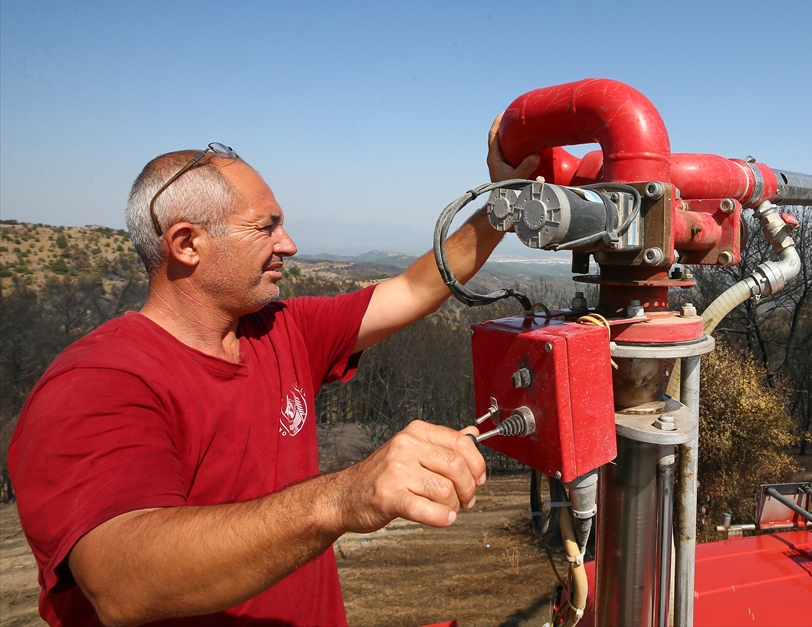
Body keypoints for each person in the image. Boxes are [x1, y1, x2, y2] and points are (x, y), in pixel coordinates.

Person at [7, 118, 540, 626]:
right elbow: (119, 584)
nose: (289, 245)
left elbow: (416, 289)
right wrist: (341, 497)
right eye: (267, 227)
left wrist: (505, 205)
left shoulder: (279, 329)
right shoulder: (97, 383)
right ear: (187, 244)